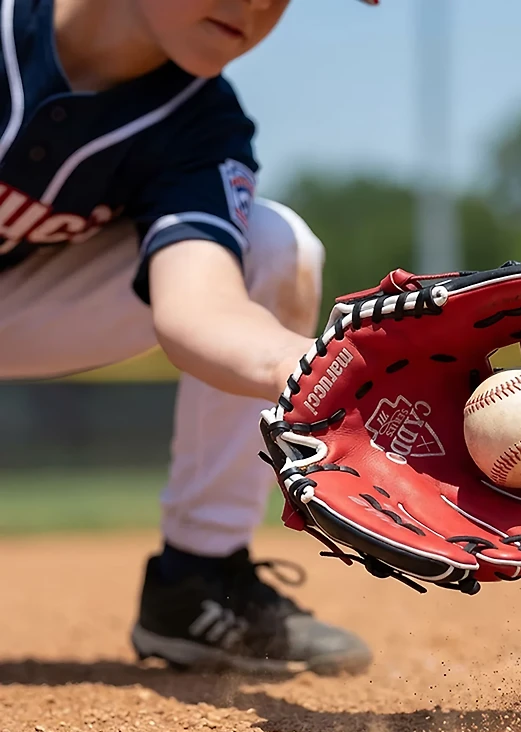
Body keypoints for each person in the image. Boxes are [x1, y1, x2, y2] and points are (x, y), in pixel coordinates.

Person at [0, 0, 381, 676]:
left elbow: (199, 310)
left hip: (20, 304)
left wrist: (339, 372)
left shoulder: (199, 123)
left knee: (272, 245)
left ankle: (198, 581)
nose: (262, 4)